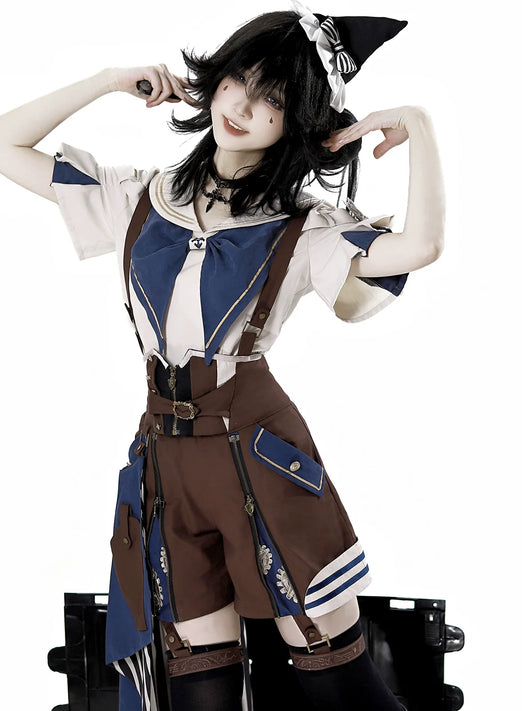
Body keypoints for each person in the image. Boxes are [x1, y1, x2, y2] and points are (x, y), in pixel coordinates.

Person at [0, 4, 445, 711]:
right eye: (239, 78)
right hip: (167, 460)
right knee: (200, 690)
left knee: (336, 678)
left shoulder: (304, 229)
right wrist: (110, 80)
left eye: (273, 99)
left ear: (297, 123)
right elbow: (4, 142)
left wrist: (417, 125)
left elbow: (420, 247)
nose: (241, 105)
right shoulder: (138, 199)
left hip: (262, 453)